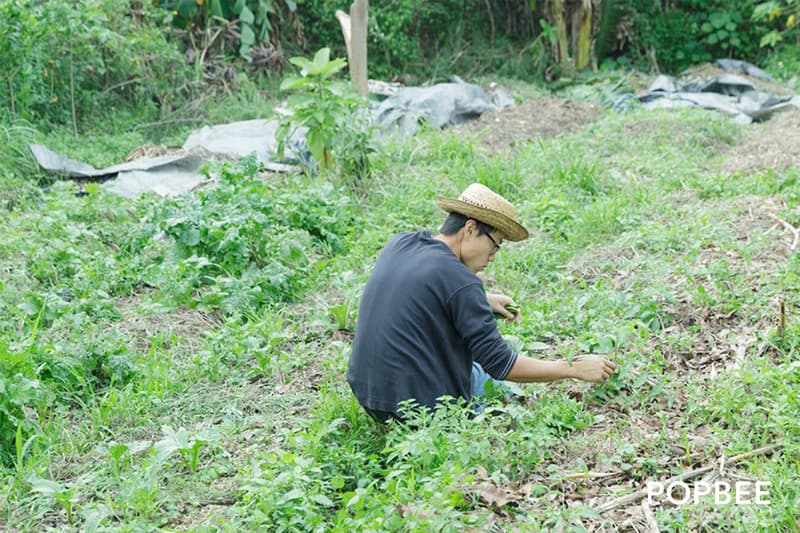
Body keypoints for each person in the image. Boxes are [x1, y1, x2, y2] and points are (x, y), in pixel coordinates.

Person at [346, 183, 617, 422]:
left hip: (370, 396)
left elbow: (416, 289)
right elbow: (501, 364)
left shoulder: (403, 244)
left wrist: (483, 300)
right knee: (489, 380)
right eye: (495, 244)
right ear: (470, 228)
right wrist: (573, 369)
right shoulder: (462, 282)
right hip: (422, 411)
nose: (493, 256)